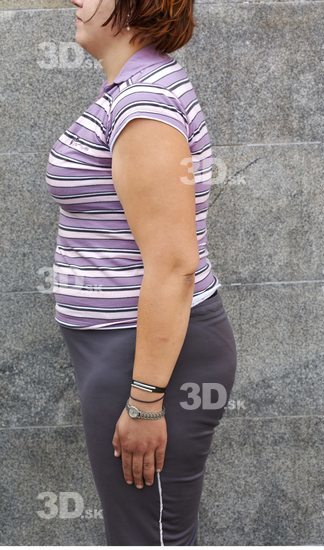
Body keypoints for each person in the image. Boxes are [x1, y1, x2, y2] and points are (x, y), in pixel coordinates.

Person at [46, 0, 237, 545]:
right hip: (125, 350)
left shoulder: (144, 103)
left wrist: (146, 400)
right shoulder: (131, 93)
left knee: (147, 537)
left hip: (149, 359)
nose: (76, 0)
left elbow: (174, 264)